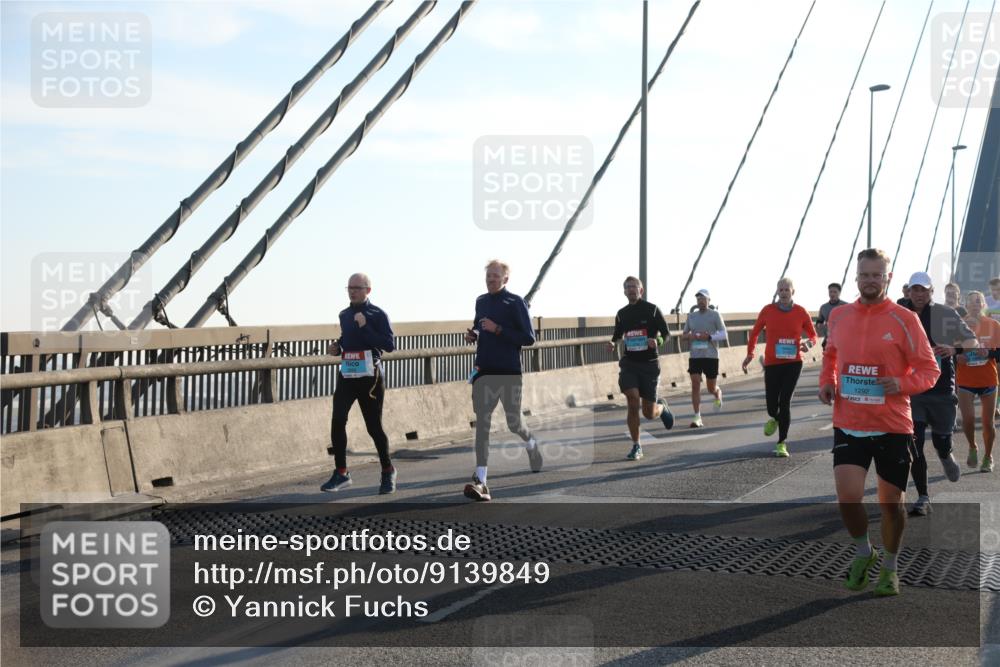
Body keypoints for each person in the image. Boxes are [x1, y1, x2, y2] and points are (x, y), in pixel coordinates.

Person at [819, 249, 939, 597]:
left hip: (892, 425)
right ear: (856, 278)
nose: (870, 281)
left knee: (891, 505)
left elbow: (929, 370)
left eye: (877, 275)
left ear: (888, 278)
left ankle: (890, 566)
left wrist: (900, 384)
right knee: (848, 498)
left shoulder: (904, 319)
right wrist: (828, 382)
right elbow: (831, 355)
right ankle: (863, 553)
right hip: (849, 421)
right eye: (864, 275)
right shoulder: (839, 316)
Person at [462, 260, 541, 502]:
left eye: (495, 276)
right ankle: (482, 481)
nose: (491, 280)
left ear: (505, 279)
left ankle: (531, 443)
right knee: (483, 424)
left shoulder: (515, 302)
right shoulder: (481, 301)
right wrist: (474, 334)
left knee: (514, 423)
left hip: (509, 372)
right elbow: (479, 326)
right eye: (488, 276)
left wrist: (498, 330)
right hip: (484, 371)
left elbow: (529, 338)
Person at [903, 272, 977, 516]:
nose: (919, 294)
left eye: (923, 290)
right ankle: (923, 496)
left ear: (931, 291)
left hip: (942, 390)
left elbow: (972, 341)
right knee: (913, 445)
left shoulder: (946, 313)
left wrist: (954, 349)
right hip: (913, 390)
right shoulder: (901, 313)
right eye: (915, 289)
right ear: (909, 291)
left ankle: (946, 455)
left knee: (941, 442)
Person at [321, 273, 397, 494]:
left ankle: (387, 470)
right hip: (348, 374)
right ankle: (341, 473)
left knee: (374, 427)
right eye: (349, 288)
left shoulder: (378, 314)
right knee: (337, 420)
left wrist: (365, 327)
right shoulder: (344, 314)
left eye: (357, 288)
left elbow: (389, 345)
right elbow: (348, 339)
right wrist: (337, 348)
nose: (352, 291)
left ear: (367, 290)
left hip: (371, 377)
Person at [742, 278, 817, 458]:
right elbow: (754, 333)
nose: (783, 293)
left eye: (787, 290)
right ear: (777, 292)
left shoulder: (801, 312)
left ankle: (782, 442)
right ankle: (776, 418)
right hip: (772, 363)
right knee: (771, 406)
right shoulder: (768, 311)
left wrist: (809, 344)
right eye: (781, 290)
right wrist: (750, 354)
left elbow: (813, 335)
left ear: (793, 292)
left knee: (785, 402)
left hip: (794, 363)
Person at [606, 276, 675, 461]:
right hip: (629, 363)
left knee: (648, 413)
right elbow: (617, 335)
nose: (631, 289)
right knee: (632, 400)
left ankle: (662, 407)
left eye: (634, 287)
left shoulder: (652, 310)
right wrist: (612, 343)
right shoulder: (621, 313)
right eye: (627, 287)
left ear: (641, 290)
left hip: (649, 364)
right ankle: (636, 445)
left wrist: (658, 340)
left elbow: (667, 334)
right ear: (624, 291)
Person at [956, 290, 1000, 473]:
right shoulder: (958, 325)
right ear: (966, 305)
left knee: (988, 423)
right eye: (971, 301)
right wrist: (958, 357)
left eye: (978, 301)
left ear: (983, 304)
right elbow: (951, 350)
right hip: (966, 379)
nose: (975, 304)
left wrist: (989, 353)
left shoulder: (993, 325)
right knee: (967, 420)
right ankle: (972, 447)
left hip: (988, 378)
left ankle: (988, 457)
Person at [682, 289, 727, 428]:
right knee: (695, 384)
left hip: (711, 356)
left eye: (703, 299)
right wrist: (691, 336)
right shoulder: (691, 316)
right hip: (695, 356)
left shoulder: (715, 315)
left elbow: (724, 334)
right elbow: (684, 335)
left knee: (710, 388)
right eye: (698, 299)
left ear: (709, 300)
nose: (700, 301)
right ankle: (697, 417)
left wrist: (709, 337)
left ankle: (717, 393)